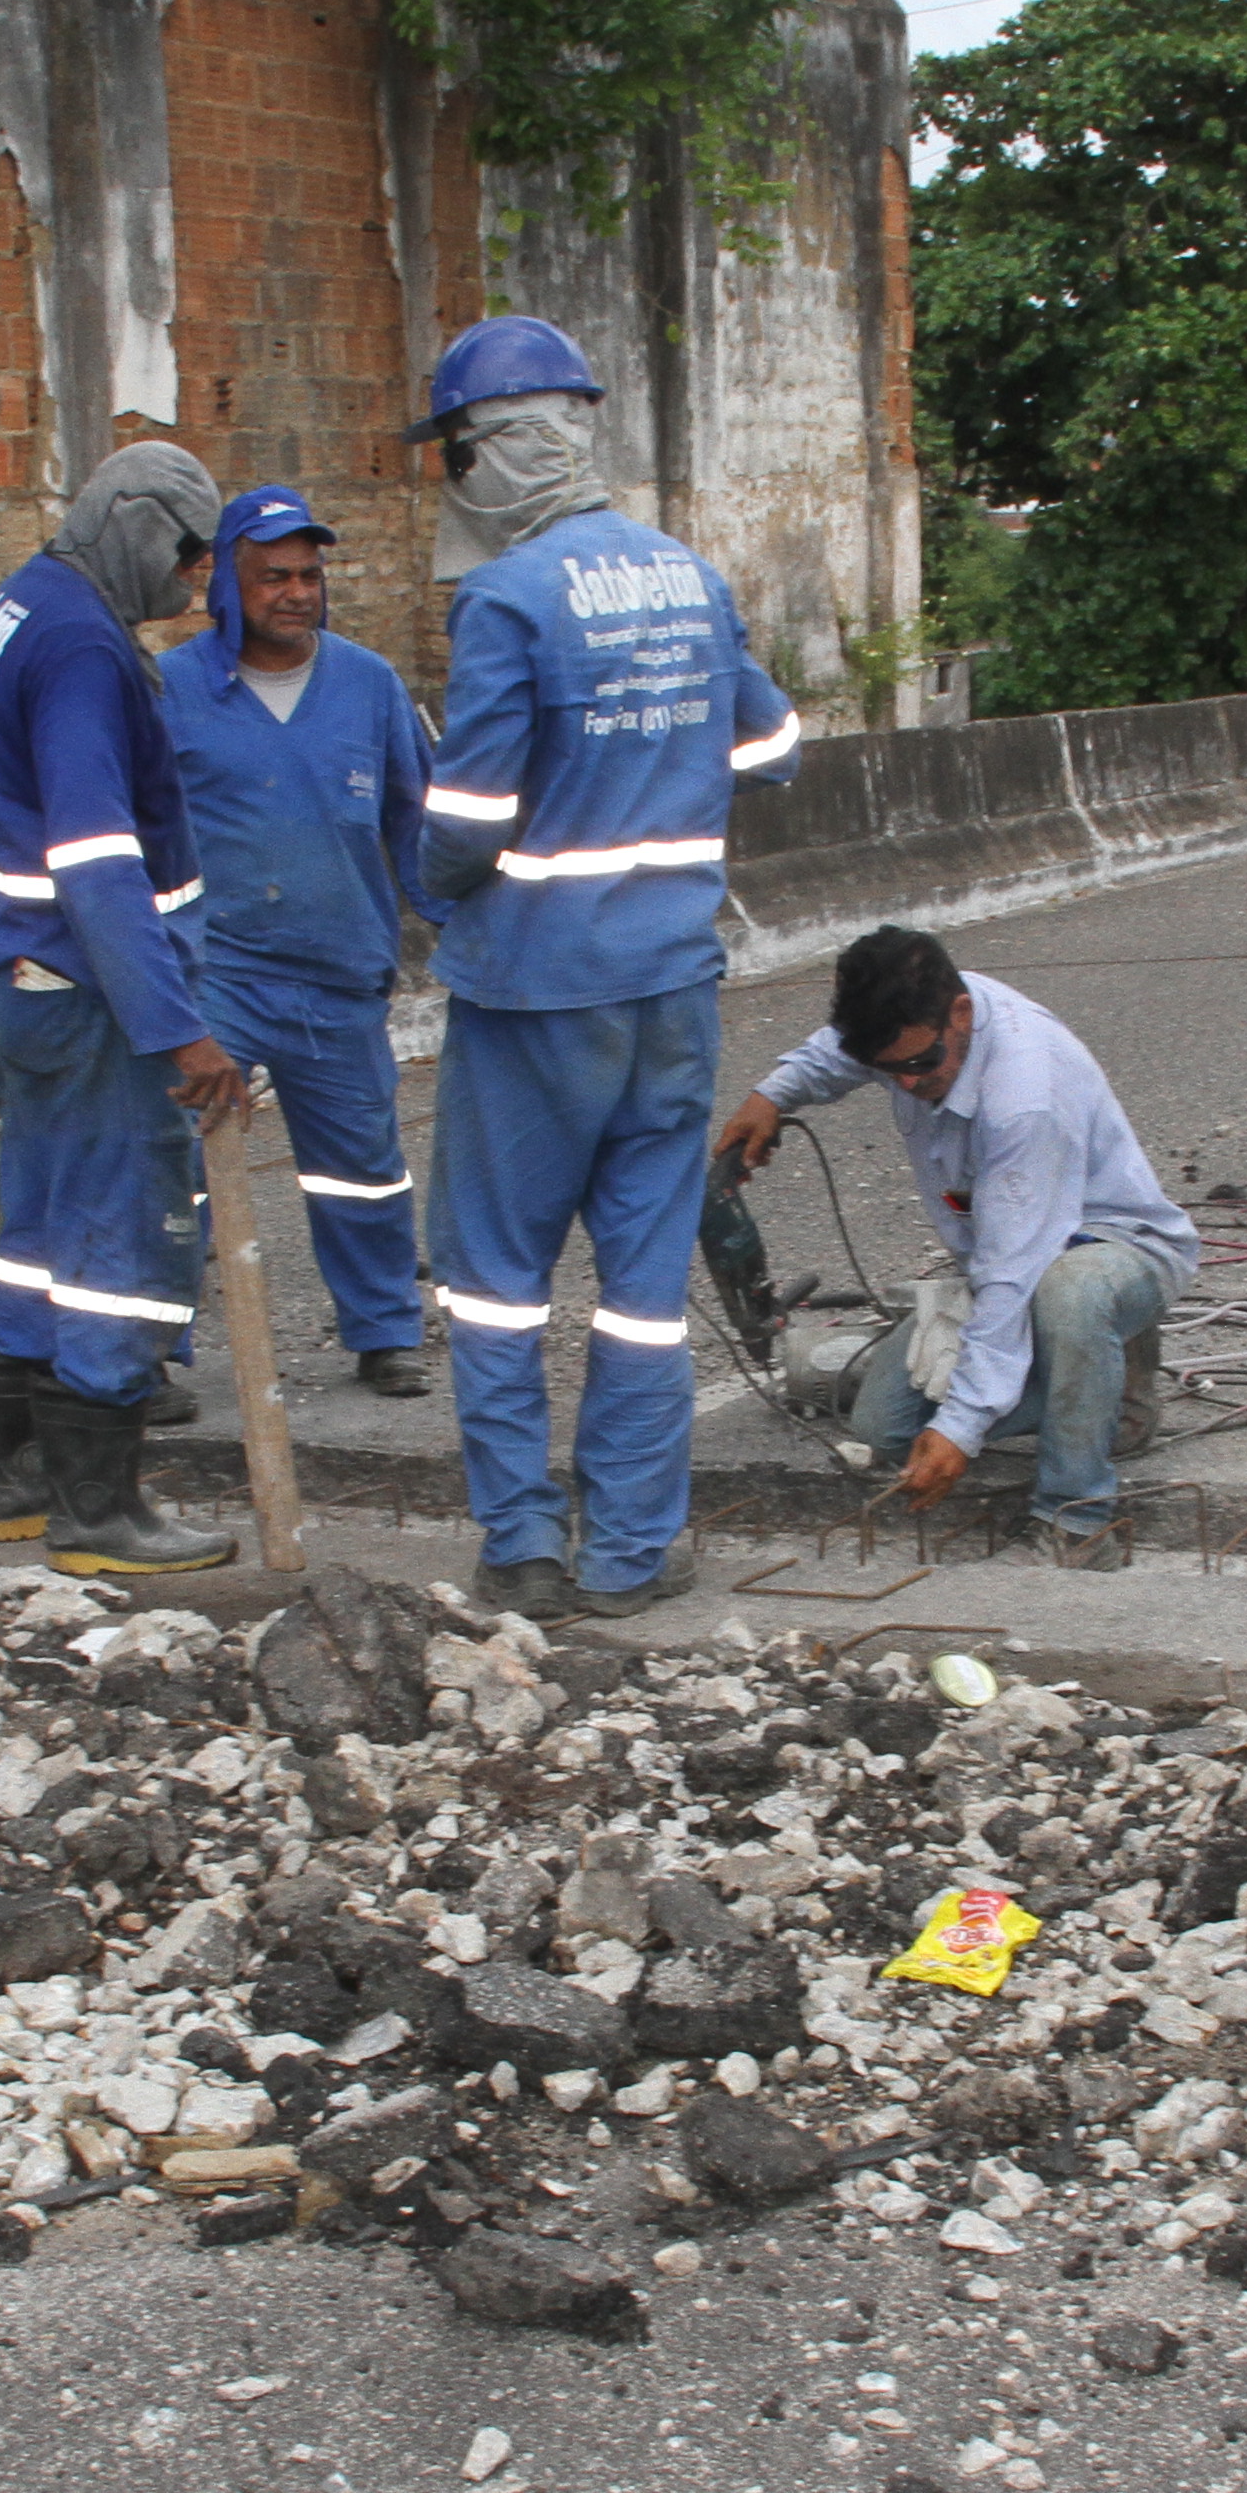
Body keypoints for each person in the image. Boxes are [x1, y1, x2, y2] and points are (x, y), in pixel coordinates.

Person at [406, 314, 800, 1619]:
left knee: (496, 1284)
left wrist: (427, 888)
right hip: (669, 989)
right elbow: (776, 748)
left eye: (455, 454)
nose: (450, 481)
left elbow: (466, 824)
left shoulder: (507, 600)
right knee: (640, 1291)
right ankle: (631, 1552)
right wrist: (661, 763)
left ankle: (524, 1547)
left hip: (534, 996)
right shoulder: (688, 578)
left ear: (498, 450)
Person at [0, 440, 246, 1577]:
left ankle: (20, 1480)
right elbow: (97, 857)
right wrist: (177, 1029)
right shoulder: (77, 646)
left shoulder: (25, 603)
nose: (194, 578)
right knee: (121, 1230)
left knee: (40, 1224)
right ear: (134, 522)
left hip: (16, 973)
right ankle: (100, 1513)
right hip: (81, 985)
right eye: (187, 550)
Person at [714, 926, 1201, 1569]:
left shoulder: (1025, 1099)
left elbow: (1012, 1275)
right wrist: (771, 1094)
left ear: (961, 1014)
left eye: (919, 1066)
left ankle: (1077, 1513)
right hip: (1009, 1252)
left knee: (1069, 1295)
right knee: (884, 1430)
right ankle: (1095, 1383)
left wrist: (962, 1427)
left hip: (1116, 1248)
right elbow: (836, 1052)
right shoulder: (912, 1029)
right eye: (888, 1071)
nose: (907, 1085)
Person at [157, 485, 436, 1398]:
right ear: (226, 583)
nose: (297, 592)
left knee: (361, 1167)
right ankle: (152, 1344)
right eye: (274, 575)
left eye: (310, 576)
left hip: (338, 966)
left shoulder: (369, 684)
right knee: (175, 1162)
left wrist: (462, 925)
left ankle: (384, 1330)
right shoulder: (171, 689)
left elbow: (418, 822)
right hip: (219, 971)